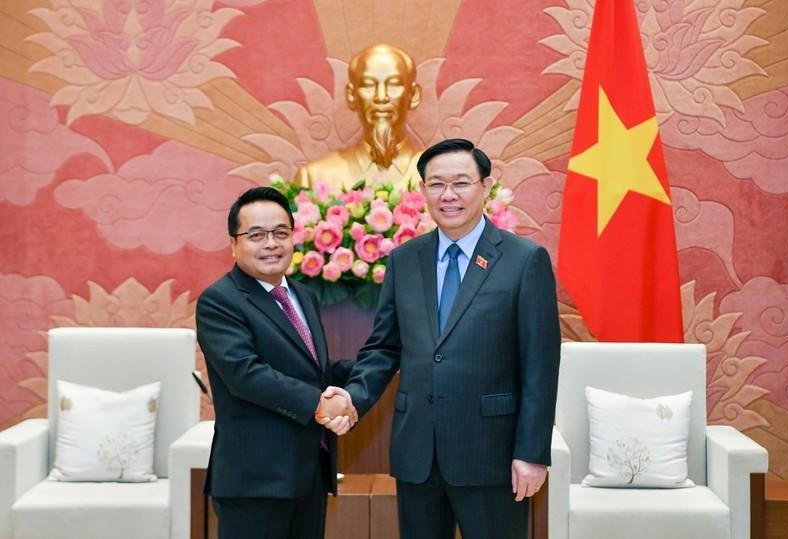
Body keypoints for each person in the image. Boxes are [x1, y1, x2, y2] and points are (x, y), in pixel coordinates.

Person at [321, 139, 561, 538]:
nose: (448, 195)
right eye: (436, 184)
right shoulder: (404, 259)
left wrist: (532, 453)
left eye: (461, 183)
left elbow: (540, 364)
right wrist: (353, 397)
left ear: (486, 187)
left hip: (492, 455)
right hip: (418, 453)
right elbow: (384, 347)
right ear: (423, 191)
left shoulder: (523, 260)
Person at [196, 186, 356, 539]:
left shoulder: (303, 295)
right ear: (234, 244)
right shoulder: (219, 301)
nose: (271, 243)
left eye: (280, 233)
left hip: (308, 474)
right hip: (255, 483)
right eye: (256, 235)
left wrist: (374, 365)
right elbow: (245, 374)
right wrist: (318, 403)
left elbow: (314, 371)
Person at [295, 43, 423, 192]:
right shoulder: (314, 177)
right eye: (368, 85)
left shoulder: (439, 178)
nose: (381, 97)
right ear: (351, 95)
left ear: (413, 95)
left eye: (393, 85)